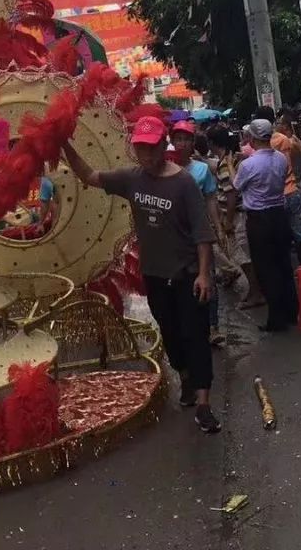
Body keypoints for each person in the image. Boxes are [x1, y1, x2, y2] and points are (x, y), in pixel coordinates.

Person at [63, 117, 221, 433]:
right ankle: (186, 378)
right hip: (155, 275)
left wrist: (205, 275)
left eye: (151, 148)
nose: (146, 155)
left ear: (164, 146)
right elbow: (89, 176)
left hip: (188, 275)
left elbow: (202, 234)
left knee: (196, 337)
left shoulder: (184, 183)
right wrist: (62, 143)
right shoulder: (131, 179)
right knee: (171, 334)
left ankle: (204, 403)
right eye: (140, 149)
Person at [234, 119, 298, 333]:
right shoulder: (280, 158)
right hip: (279, 214)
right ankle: (291, 311)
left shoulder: (248, 164)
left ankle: (276, 318)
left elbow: (237, 186)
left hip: (259, 220)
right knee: (283, 264)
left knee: (266, 269)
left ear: (251, 138)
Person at [171, 121, 227, 348]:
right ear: (172, 142)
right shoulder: (165, 167)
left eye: (186, 139)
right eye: (178, 139)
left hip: (200, 232)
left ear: (193, 143)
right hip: (174, 234)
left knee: (208, 278)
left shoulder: (202, 170)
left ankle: (212, 327)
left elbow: (211, 199)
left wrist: (218, 227)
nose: (182, 143)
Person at [209, 127, 265, 310]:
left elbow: (231, 194)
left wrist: (227, 221)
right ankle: (255, 291)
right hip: (240, 214)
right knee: (245, 257)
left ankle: (256, 293)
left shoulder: (226, 164)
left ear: (212, 143)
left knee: (244, 258)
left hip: (236, 217)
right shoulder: (231, 159)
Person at [258, 108, 301, 263]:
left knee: (279, 237)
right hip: (292, 189)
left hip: (273, 196)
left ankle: (287, 272)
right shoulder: (284, 139)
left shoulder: (261, 144)